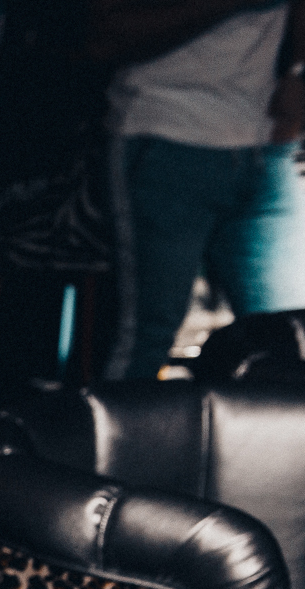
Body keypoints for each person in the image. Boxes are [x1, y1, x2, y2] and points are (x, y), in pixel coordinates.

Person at [93, 0, 305, 378]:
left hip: (266, 144)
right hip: (166, 134)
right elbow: (104, 32)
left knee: (288, 340)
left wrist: (297, 72)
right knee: (146, 338)